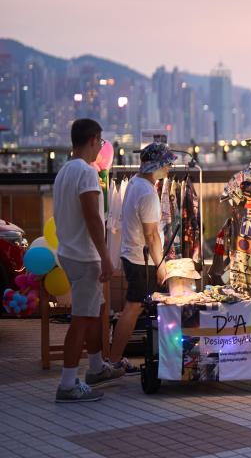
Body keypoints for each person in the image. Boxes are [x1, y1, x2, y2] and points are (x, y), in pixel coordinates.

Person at [53, 119, 126, 403]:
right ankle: (68, 384)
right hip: (84, 257)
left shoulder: (64, 172)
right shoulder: (86, 173)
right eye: (102, 142)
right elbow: (93, 218)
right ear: (94, 139)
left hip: (69, 252)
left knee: (95, 311)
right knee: (82, 319)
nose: (101, 147)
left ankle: (96, 368)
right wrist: (106, 257)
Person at [107, 142, 176, 374]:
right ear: (155, 165)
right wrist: (161, 265)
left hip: (132, 255)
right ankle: (114, 360)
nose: (169, 168)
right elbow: (151, 236)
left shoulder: (136, 183)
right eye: (166, 164)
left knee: (134, 308)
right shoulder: (148, 193)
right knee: (133, 308)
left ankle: (115, 359)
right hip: (141, 260)